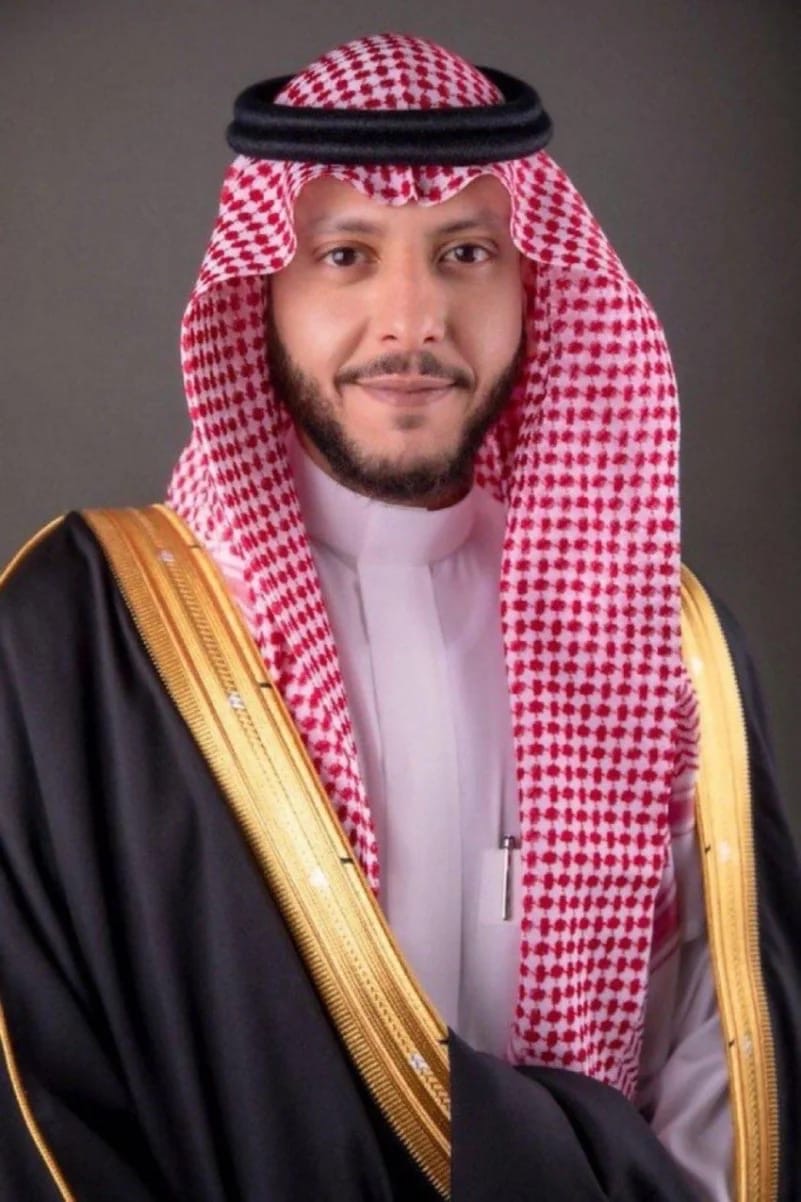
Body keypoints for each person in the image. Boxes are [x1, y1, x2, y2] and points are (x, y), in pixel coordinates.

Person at [0, 33, 798, 1202]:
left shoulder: (663, 640)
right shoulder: (80, 637)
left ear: (533, 284)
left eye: (466, 252)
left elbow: (722, 1073)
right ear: (261, 291)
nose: (412, 318)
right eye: (346, 254)